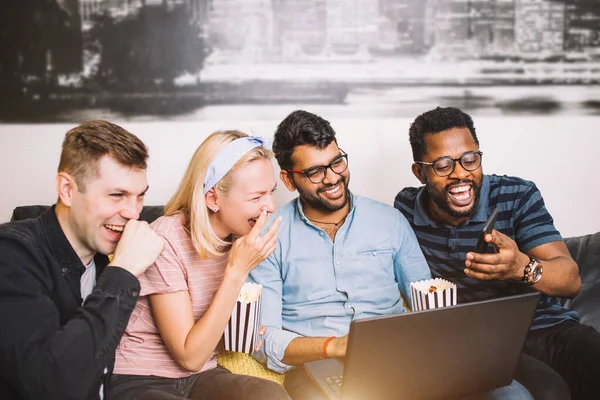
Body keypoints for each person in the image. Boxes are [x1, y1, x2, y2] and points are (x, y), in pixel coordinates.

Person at [249, 110, 532, 400]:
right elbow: (264, 339)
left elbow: (428, 301)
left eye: (336, 162)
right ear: (288, 179)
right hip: (319, 367)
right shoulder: (269, 237)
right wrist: (335, 346)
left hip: (400, 359)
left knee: (511, 395)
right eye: (315, 172)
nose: (333, 178)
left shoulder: (390, 221)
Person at [395, 106, 600, 399]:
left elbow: (571, 281)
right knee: (549, 393)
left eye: (470, 160)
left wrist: (521, 267)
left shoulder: (517, 196)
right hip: (475, 345)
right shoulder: (404, 208)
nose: (460, 174)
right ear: (420, 172)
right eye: (442, 165)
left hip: (548, 328)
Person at [109, 130, 290, 400]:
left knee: (269, 394)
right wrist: (237, 271)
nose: (271, 206)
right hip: (141, 379)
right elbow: (189, 356)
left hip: (201, 377)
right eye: (256, 197)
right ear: (213, 199)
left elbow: (204, 343)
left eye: (271, 193)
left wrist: (243, 327)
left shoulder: (236, 240)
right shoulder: (166, 239)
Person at [0, 120, 165, 399]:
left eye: (139, 197)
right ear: (67, 189)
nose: (133, 213)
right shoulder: (12, 253)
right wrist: (123, 271)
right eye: (117, 195)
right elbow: (55, 384)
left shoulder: (102, 258)